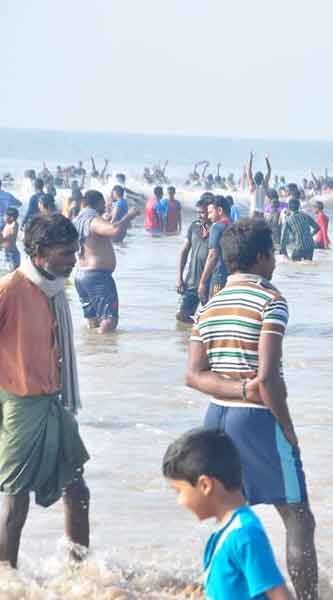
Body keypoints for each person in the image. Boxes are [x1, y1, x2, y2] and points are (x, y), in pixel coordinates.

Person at [186, 218, 317, 599]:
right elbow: (268, 379)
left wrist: (239, 388)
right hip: (257, 418)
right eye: (272, 253)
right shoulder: (271, 300)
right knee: (297, 516)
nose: (275, 261)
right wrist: (288, 428)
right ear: (261, 257)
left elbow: (194, 375)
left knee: (230, 513)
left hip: (216, 417)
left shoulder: (210, 306)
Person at [0, 214, 90, 568]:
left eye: (75, 251)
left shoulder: (53, 289)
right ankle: (7, 580)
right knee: (15, 503)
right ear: (39, 253)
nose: (73, 259)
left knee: (78, 491)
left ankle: (80, 573)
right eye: (66, 253)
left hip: (54, 402)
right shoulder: (11, 290)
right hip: (19, 407)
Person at [162, 428, 292, 600]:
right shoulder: (224, 533)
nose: (179, 501)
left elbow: (279, 595)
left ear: (205, 485)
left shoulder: (244, 535)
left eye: (178, 491)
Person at [72, 190, 140, 333]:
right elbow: (115, 231)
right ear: (98, 203)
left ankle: (94, 352)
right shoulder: (93, 219)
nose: (105, 206)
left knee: (93, 321)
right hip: (97, 277)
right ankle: (105, 352)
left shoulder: (78, 220)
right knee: (109, 321)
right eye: (104, 204)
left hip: (81, 276)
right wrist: (129, 216)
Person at [176, 196, 212, 323]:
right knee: (181, 315)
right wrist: (179, 277)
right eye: (198, 213)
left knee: (210, 319)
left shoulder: (217, 230)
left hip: (209, 283)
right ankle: (192, 334)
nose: (200, 216)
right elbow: (184, 251)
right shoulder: (194, 227)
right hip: (191, 280)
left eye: (203, 212)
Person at [197, 195, 232, 304]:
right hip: (234, 277)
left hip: (220, 277)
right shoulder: (235, 225)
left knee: (215, 307)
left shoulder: (217, 227)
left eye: (211, 212)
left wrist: (202, 283)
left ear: (220, 210)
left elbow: (213, 255)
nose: (209, 216)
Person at [247, 152, 272, 217]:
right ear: (262, 179)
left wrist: (251, 158)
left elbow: (249, 171)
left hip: (254, 211)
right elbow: (269, 170)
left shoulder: (253, 186)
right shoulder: (264, 186)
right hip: (261, 212)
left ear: (254, 178)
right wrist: (266, 159)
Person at [0, 208, 18, 275]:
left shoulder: (13, 226)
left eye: (5, 215)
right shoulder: (7, 225)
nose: (3, 217)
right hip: (7, 253)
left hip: (12, 255)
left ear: (11, 218)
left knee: (12, 273)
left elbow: (7, 238)